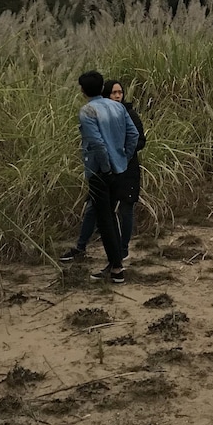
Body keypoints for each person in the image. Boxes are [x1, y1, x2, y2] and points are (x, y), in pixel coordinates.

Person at [62, 80, 146, 264]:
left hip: (125, 168)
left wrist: (122, 155)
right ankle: (81, 247)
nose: (117, 96)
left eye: (120, 92)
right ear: (105, 94)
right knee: (93, 207)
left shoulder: (127, 113)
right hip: (105, 168)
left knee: (125, 208)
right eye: (114, 92)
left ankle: (122, 251)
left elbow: (138, 139)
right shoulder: (101, 113)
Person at [73, 70, 139, 284]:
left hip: (101, 172)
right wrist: (123, 158)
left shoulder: (87, 111)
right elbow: (133, 135)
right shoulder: (118, 107)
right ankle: (115, 263)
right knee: (109, 216)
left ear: (83, 91)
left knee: (105, 219)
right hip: (119, 169)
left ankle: (117, 268)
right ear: (102, 88)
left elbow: (97, 144)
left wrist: (106, 168)